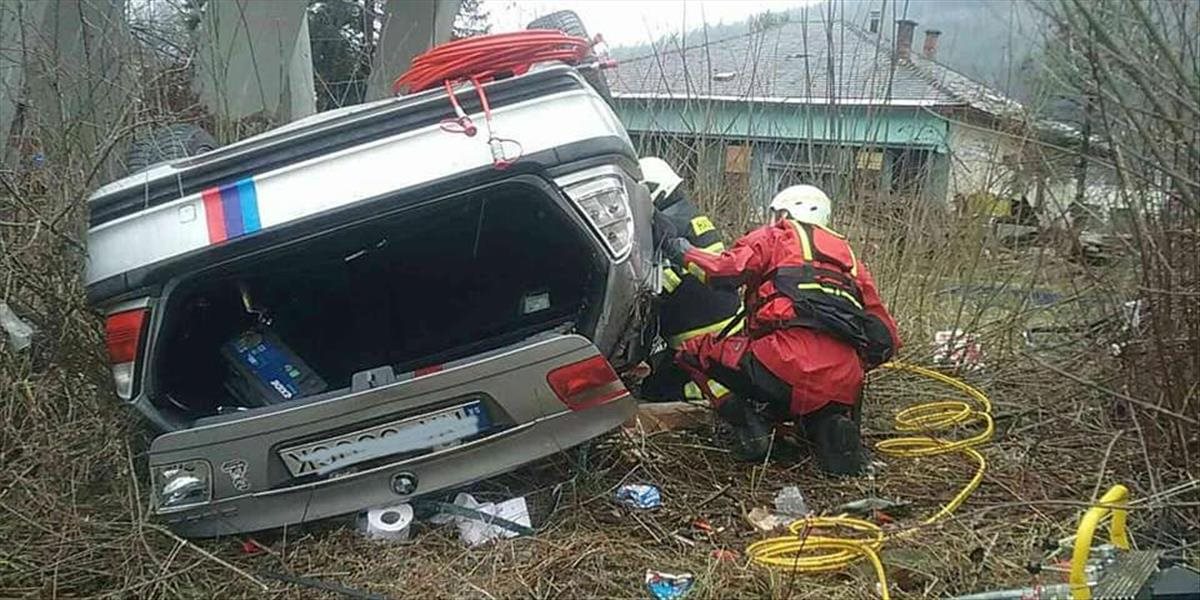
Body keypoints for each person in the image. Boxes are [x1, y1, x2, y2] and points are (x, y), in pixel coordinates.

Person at [663, 184, 901, 475]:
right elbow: (887, 339)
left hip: (781, 362)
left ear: (784, 213)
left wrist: (681, 250)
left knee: (692, 352)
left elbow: (723, 272)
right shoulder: (852, 262)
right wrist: (852, 365)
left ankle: (750, 427)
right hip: (842, 380)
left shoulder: (777, 236)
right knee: (813, 391)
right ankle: (823, 424)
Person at [638, 157, 766, 452]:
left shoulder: (665, 224)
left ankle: (703, 392)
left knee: (655, 388)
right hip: (728, 325)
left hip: (695, 336)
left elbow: (660, 285)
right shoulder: (693, 217)